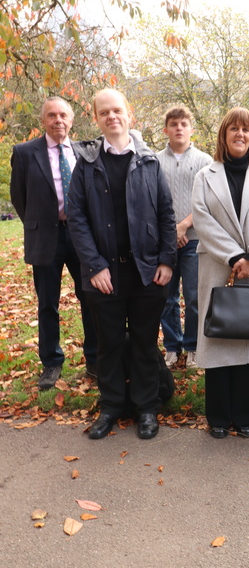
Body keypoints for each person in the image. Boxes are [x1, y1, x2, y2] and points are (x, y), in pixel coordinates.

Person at [67, 89, 177, 440]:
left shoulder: (149, 161)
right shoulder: (85, 163)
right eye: (104, 112)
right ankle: (112, 405)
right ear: (96, 118)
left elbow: (166, 213)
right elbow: (77, 218)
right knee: (109, 343)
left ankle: (146, 407)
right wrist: (94, 266)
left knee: (145, 342)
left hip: (145, 272)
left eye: (117, 110)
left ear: (129, 114)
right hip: (103, 275)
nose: (111, 116)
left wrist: (167, 260)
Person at [192, 107, 249, 438]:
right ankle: (217, 417)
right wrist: (234, 256)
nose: (240, 135)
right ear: (223, 135)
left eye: (246, 130)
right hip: (218, 265)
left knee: (247, 336)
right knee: (219, 337)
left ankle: (245, 416)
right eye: (233, 130)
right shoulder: (205, 176)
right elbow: (202, 220)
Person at [10, 97, 98, 390]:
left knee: (90, 298)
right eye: (51, 115)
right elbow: (19, 198)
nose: (58, 120)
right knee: (48, 303)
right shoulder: (24, 153)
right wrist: (39, 223)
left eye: (63, 115)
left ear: (71, 120)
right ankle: (51, 363)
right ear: (43, 121)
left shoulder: (86, 151)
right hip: (45, 236)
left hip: (81, 236)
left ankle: (95, 360)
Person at [157, 105, 212, 369]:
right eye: (174, 124)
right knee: (166, 298)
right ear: (166, 129)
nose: (179, 128)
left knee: (193, 297)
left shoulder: (204, 161)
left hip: (194, 241)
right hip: (164, 242)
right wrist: (171, 230)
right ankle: (171, 346)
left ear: (191, 129)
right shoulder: (154, 161)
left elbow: (208, 201)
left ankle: (192, 346)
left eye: (184, 124)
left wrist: (184, 226)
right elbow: (151, 202)